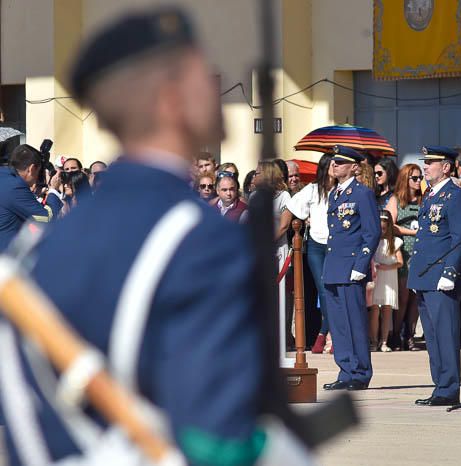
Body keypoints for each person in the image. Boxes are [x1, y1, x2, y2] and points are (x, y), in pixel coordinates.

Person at [0, 7, 312, 464]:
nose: (215, 86)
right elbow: (220, 438)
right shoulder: (199, 241)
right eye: (201, 73)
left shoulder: (41, 248)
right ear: (171, 98)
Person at [409, 146, 461, 407]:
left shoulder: (455, 197)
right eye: (425, 162)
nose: (425, 167)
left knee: (444, 334)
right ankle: (440, 386)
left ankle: (448, 387)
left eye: (431, 162)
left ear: (446, 167)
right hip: (425, 274)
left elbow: (460, 238)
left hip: (442, 275)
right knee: (432, 336)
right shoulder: (432, 195)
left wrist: (449, 271)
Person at [322, 145, 380, 391]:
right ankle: (345, 370)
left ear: (354, 167)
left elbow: (372, 232)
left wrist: (361, 264)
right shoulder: (334, 194)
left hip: (351, 267)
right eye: (334, 162)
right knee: (339, 324)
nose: (334, 166)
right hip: (334, 265)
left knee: (354, 321)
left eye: (340, 162)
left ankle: (360, 372)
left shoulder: (362, 194)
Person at [280, 154, 335, 354]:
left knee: (334, 290)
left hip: (337, 247)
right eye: (333, 164)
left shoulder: (341, 190)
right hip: (316, 247)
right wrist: (280, 228)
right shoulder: (312, 190)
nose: (337, 167)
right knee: (323, 290)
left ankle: (325, 333)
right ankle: (328, 334)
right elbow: (291, 208)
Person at [0, 144, 63, 251]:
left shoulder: (4, 177)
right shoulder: (15, 186)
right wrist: (54, 191)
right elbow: (46, 218)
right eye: (38, 172)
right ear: (31, 169)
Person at [391, 163, 423, 351]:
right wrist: (412, 233)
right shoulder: (396, 200)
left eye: (420, 178)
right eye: (415, 178)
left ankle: (410, 335)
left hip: (420, 253)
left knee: (416, 298)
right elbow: (391, 225)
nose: (419, 181)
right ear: (405, 179)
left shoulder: (423, 200)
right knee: (403, 296)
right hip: (404, 251)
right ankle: (396, 334)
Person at [368, 210, 403, 352]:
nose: (381, 231)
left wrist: (385, 266)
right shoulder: (372, 241)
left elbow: (400, 262)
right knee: (375, 309)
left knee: (387, 309)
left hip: (389, 276)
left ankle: (384, 341)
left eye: (384, 228)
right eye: (379, 228)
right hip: (376, 277)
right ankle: (374, 341)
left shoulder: (395, 242)